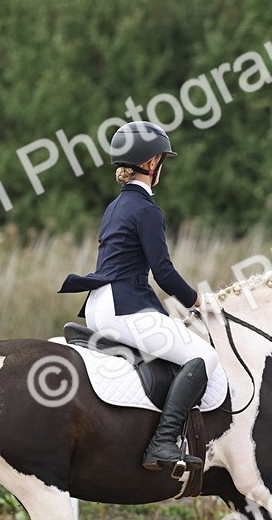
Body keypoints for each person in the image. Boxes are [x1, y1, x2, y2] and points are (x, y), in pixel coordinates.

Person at [59, 121, 226, 472]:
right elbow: (163, 272)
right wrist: (199, 301)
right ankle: (162, 443)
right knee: (203, 358)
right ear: (152, 164)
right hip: (126, 307)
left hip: (97, 306)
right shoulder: (147, 210)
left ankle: (109, 352)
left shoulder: (115, 207)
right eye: (162, 160)